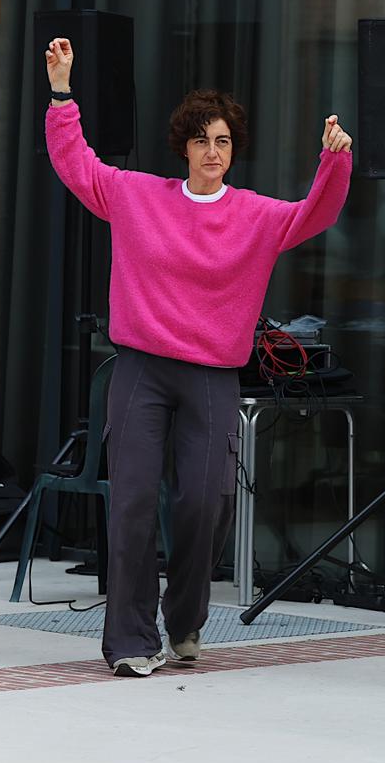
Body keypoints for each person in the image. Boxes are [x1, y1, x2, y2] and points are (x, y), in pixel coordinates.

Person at [44, 36, 352, 677]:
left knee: (205, 503)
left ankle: (183, 622)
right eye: (202, 141)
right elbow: (77, 164)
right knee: (129, 501)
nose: (213, 153)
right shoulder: (137, 196)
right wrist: (62, 93)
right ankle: (129, 640)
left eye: (224, 143)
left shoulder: (256, 216)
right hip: (141, 369)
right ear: (183, 146)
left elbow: (313, 215)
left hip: (213, 374)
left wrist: (333, 163)